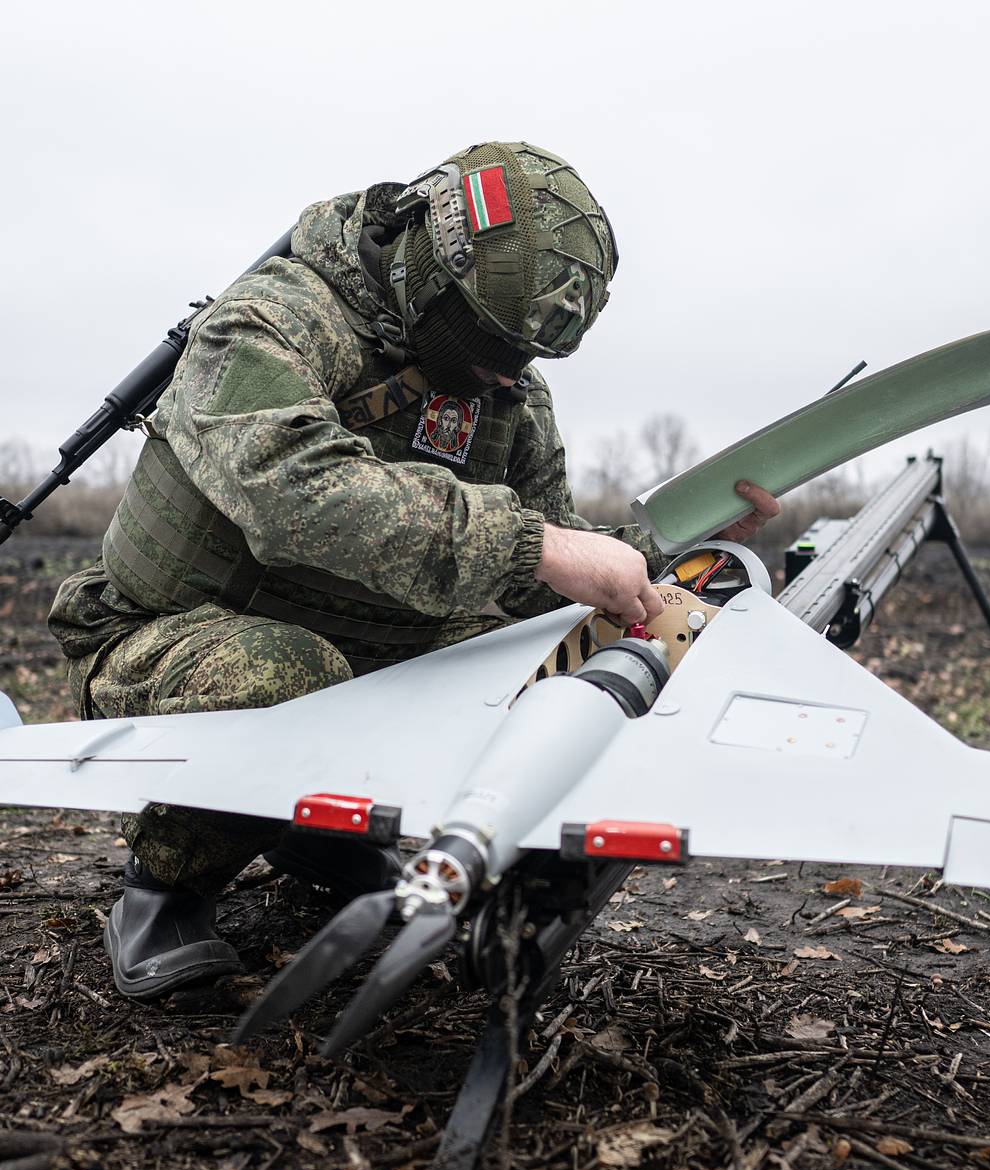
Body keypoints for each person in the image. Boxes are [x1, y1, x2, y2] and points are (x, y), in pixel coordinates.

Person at [47, 141, 779, 998]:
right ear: (431, 268)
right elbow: (295, 493)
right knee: (284, 674)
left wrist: (654, 552)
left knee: (551, 647)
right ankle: (167, 888)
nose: (506, 370)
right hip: (165, 640)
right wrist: (536, 546)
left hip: (363, 648)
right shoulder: (271, 320)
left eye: (525, 352)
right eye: (489, 339)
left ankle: (324, 826)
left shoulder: (504, 388)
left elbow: (548, 554)